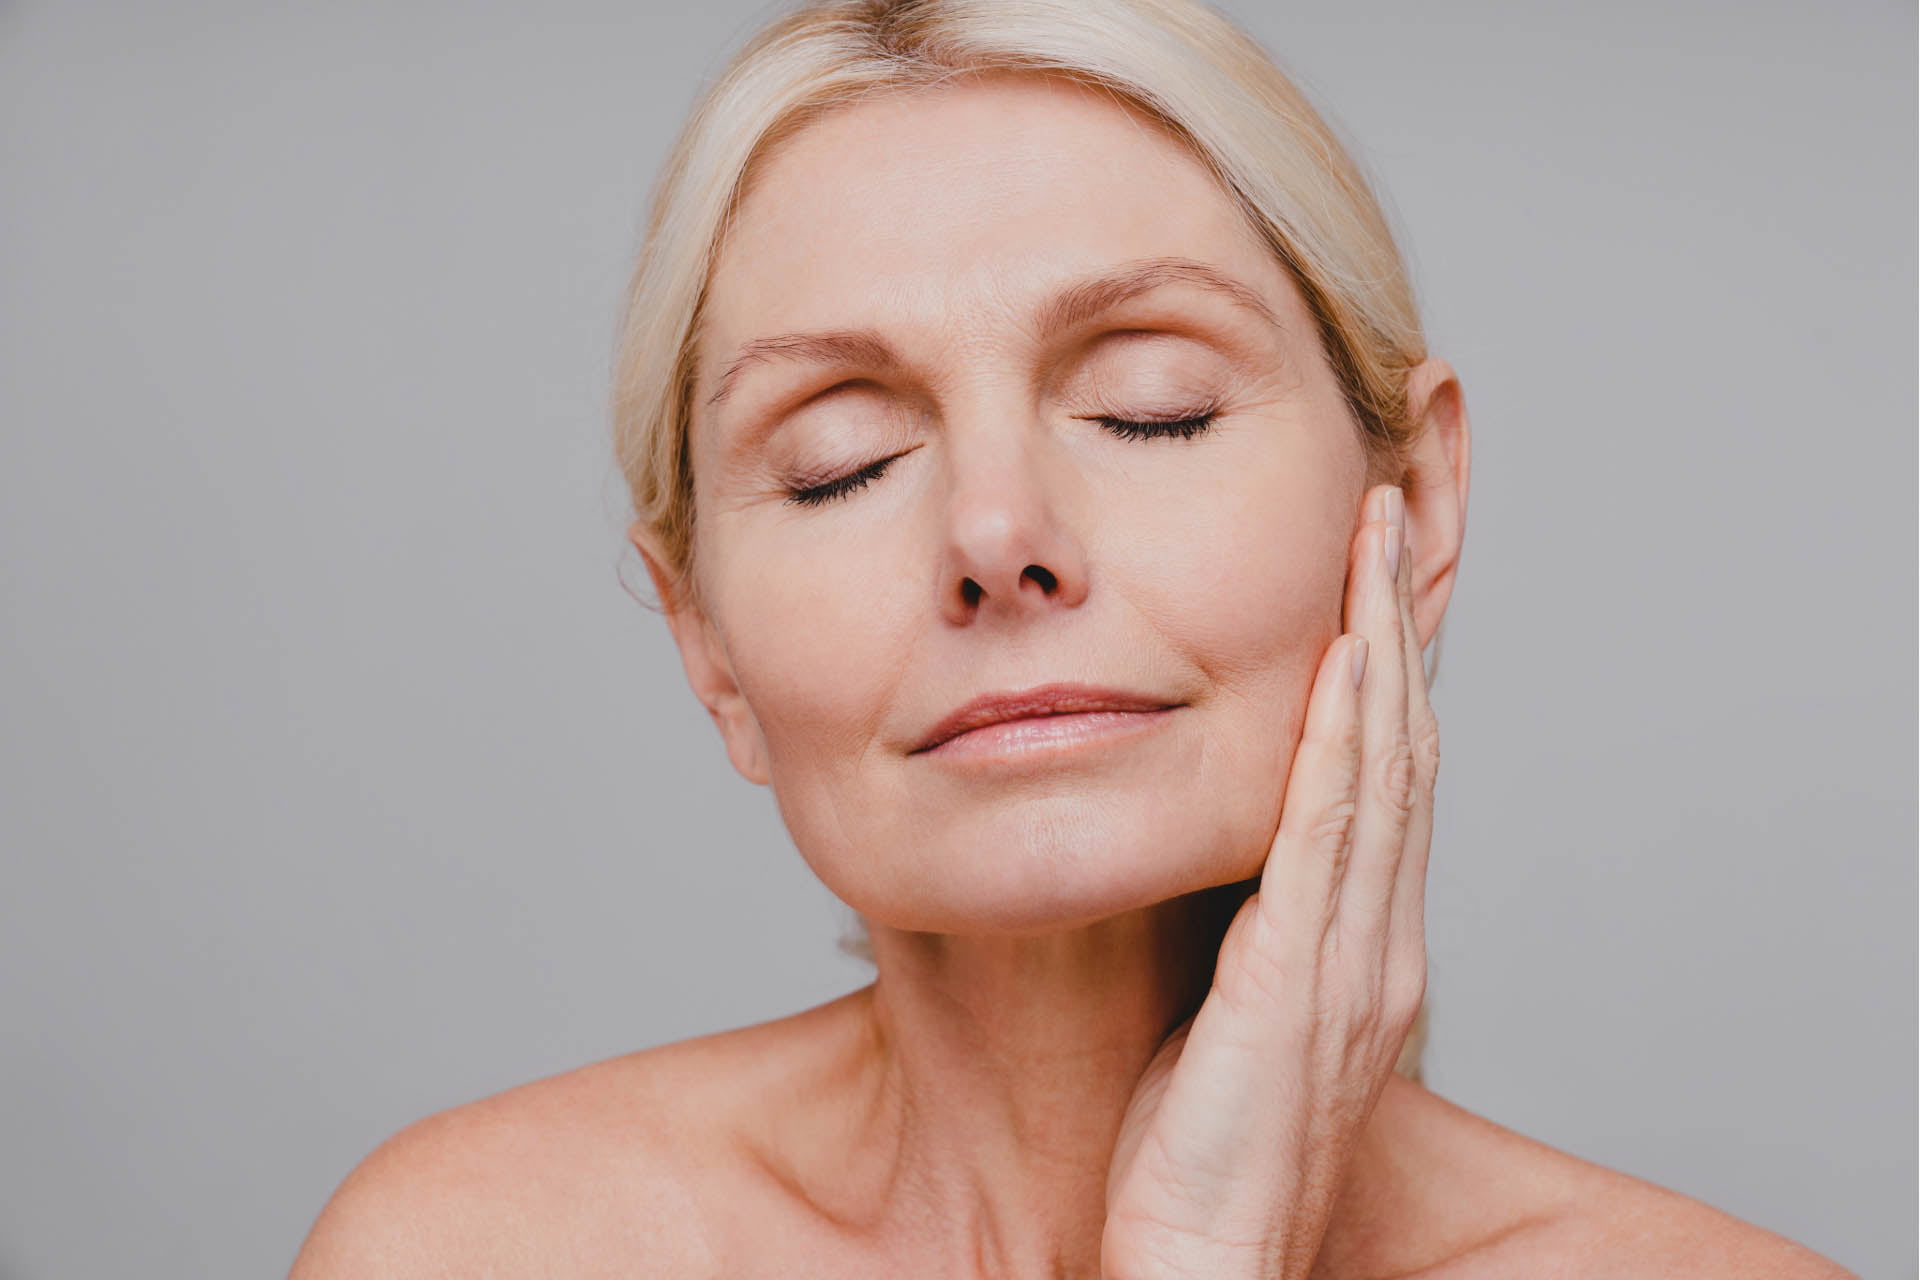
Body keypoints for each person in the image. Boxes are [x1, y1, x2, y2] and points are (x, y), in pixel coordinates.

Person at [289, 1, 1854, 1275]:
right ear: (706, 642)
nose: (994, 534)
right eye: (842, 457)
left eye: (1146, 409)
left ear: (1418, 502)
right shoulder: (477, 1248)